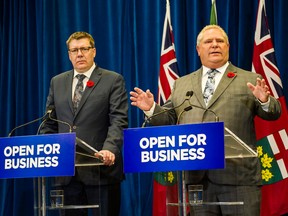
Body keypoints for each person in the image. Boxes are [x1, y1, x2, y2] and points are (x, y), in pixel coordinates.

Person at [130, 25, 281, 216]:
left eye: (220, 41)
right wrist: (151, 108)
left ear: (228, 47)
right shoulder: (182, 83)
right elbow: (168, 119)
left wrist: (264, 100)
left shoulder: (248, 79)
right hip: (197, 178)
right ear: (198, 49)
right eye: (208, 42)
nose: (214, 45)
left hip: (238, 177)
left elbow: (273, 113)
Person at [40, 31, 128, 216]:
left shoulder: (112, 80)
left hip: (101, 171)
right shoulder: (57, 82)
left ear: (93, 51)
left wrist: (110, 149)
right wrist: (48, 148)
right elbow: (49, 123)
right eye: (74, 50)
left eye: (84, 49)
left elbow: (118, 120)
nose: (79, 54)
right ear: (69, 55)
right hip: (66, 173)